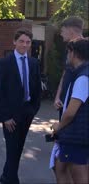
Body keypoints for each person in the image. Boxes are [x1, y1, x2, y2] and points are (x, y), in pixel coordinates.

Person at [0, 27, 42, 184]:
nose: (24, 45)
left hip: (27, 112)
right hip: (11, 115)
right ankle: (11, 180)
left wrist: (34, 109)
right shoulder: (4, 63)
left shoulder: (34, 63)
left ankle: (6, 176)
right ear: (14, 41)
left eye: (28, 42)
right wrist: (5, 116)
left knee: (18, 148)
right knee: (12, 148)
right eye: (21, 41)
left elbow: (36, 88)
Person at [51, 38, 89, 184]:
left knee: (79, 176)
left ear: (74, 53)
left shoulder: (83, 77)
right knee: (58, 166)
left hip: (77, 136)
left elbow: (71, 111)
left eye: (68, 51)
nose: (67, 55)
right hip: (76, 135)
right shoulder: (81, 73)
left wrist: (58, 127)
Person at [53, 16, 85, 116]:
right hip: (64, 101)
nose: (61, 34)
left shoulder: (85, 49)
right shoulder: (69, 49)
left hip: (77, 102)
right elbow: (64, 74)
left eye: (62, 30)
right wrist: (58, 96)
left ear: (70, 30)